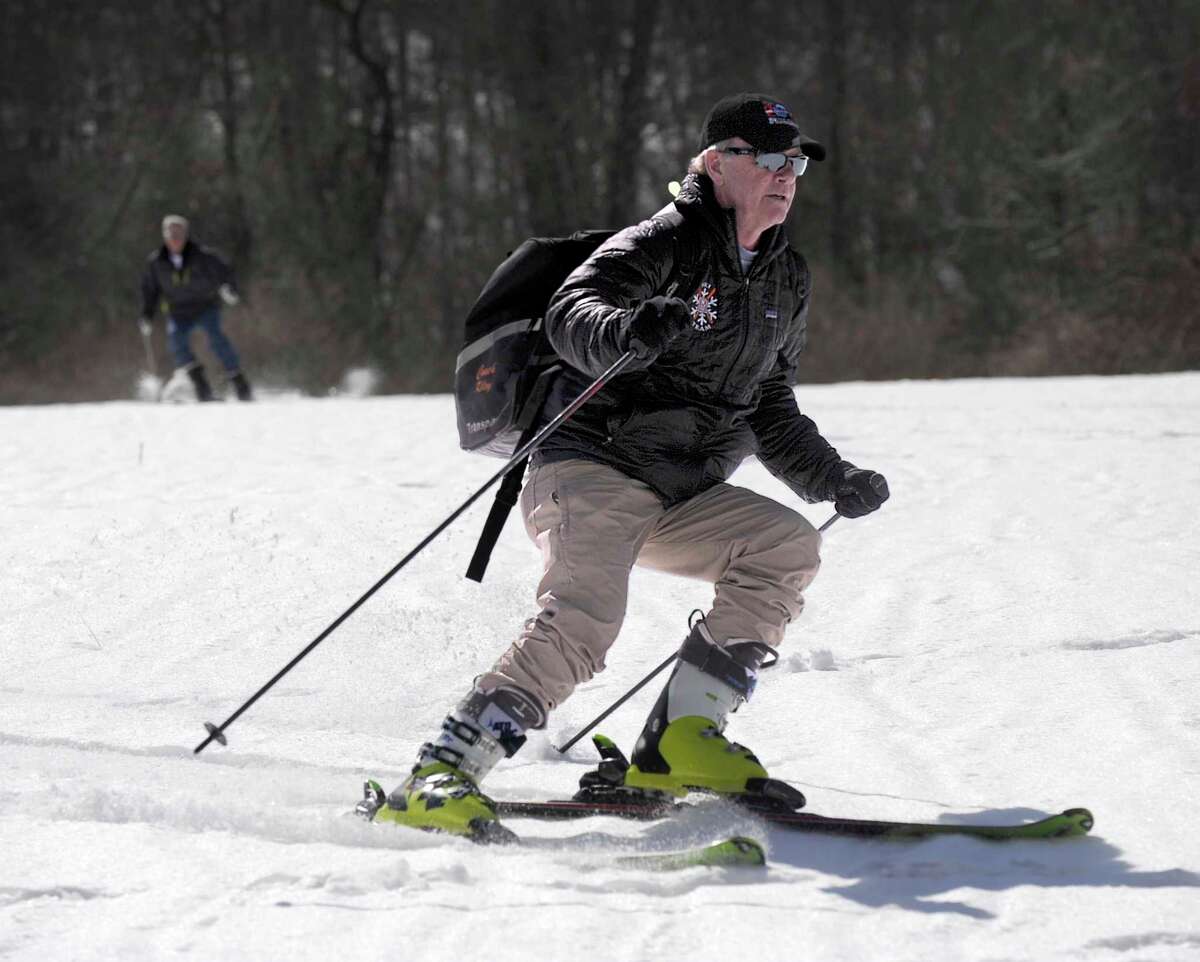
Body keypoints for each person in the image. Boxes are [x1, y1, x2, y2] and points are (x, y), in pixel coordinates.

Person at [374, 93, 890, 838]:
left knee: (785, 546)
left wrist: (829, 477)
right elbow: (571, 309)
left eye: (796, 161)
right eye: (770, 158)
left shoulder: (786, 278)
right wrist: (624, 329)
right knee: (586, 621)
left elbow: (769, 400)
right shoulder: (662, 242)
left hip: (682, 491)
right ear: (719, 164)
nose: (787, 174)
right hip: (592, 465)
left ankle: (681, 739)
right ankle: (443, 770)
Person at [139, 215, 253, 401]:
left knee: (216, 338)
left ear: (185, 235)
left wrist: (229, 289)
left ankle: (239, 382)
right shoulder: (156, 262)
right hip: (178, 311)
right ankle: (201, 386)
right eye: (171, 234)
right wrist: (146, 315)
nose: (175, 238)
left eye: (178, 233)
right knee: (177, 342)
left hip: (205, 306)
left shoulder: (204, 256)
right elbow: (150, 290)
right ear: (165, 236)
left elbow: (225, 272)